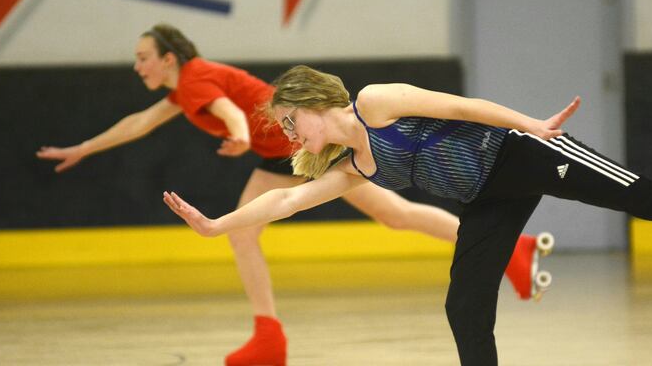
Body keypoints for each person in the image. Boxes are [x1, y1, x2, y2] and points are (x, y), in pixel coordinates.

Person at [36, 24, 551, 366]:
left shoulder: (195, 79)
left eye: (143, 57)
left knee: (244, 234)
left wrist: (238, 132)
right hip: (291, 148)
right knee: (391, 214)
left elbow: (227, 111)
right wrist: (83, 147)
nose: (138, 66)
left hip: (295, 147)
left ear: (169, 58)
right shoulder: (186, 85)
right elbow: (138, 123)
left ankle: (269, 338)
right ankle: (516, 252)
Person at [163, 64, 652, 366]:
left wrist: (531, 125)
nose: (289, 135)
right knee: (464, 305)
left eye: (291, 121)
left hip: (523, 155)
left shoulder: (375, 103)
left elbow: (462, 107)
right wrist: (216, 226)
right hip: (487, 200)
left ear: (314, 103)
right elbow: (285, 200)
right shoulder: (350, 166)